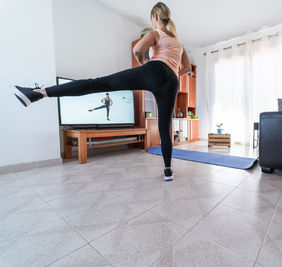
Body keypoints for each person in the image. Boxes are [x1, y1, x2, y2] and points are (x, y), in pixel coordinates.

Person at [13, 2, 192, 181]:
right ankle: (168, 170)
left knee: (99, 83)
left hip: (155, 70)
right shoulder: (179, 43)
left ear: (154, 17)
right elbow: (186, 68)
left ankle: (39, 93)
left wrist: (143, 66)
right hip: (172, 82)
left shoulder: (155, 33)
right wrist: (172, 72)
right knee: (164, 128)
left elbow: (137, 50)